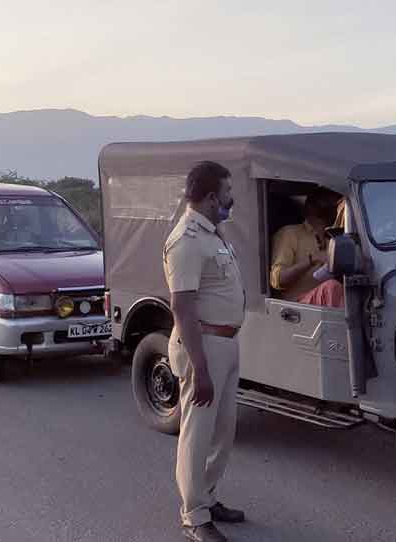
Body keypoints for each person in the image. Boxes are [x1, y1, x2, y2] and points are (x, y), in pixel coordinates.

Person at [163, 161, 247, 542]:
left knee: (222, 431)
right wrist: (200, 369)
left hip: (226, 343)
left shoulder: (213, 233)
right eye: (228, 193)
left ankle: (208, 498)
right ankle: (194, 516)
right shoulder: (187, 240)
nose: (232, 200)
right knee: (197, 435)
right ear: (212, 197)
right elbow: (182, 307)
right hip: (204, 346)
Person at [269, 191, 344, 307]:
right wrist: (312, 259)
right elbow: (277, 279)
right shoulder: (289, 234)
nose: (337, 205)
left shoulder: (336, 238)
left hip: (328, 307)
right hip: (298, 309)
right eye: (331, 201)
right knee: (331, 287)